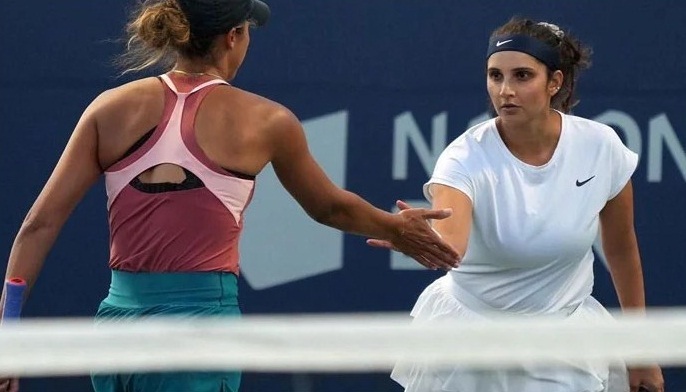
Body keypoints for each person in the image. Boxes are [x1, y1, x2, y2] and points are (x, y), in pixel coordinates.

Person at [0, 1, 461, 391]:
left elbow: (38, 225)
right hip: (201, 335)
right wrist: (395, 229)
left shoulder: (108, 108)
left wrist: (10, 339)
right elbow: (328, 207)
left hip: (117, 331)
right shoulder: (267, 121)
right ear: (234, 36)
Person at [380, 16, 665, 392]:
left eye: (522, 76)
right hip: (472, 342)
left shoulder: (601, 146)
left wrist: (640, 349)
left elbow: (622, 248)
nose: (505, 91)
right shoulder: (463, 159)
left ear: (555, 82)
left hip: (565, 337)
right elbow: (451, 244)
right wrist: (413, 237)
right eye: (495, 76)